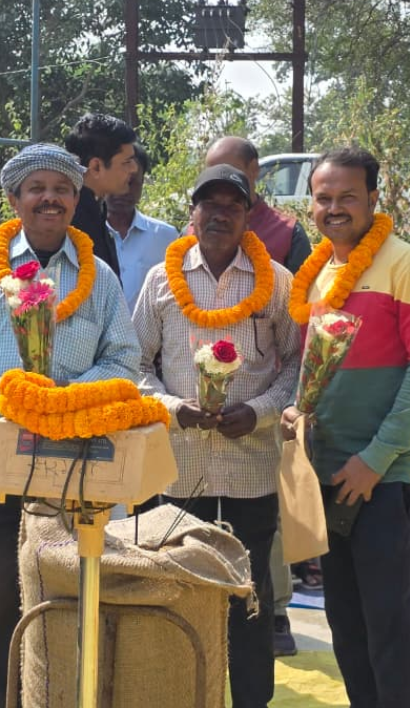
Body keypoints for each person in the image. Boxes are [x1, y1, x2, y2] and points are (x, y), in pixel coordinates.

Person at [0, 143, 140, 708]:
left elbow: (123, 359)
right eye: (37, 188)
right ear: (15, 198)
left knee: (64, 598)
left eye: (63, 189)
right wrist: (2, 390)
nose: (51, 198)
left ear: (76, 199)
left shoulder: (101, 277)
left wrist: (65, 399)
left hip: (75, 468)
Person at [279, 147, 410, 708]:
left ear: (374, 198)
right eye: (323, 198)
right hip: (325, 470)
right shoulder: (318, 272)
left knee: (389, 625)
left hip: (384, 474)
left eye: (347, 196)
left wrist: (377, 458)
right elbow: (317, 366)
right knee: (344, 620)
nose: (334, 208)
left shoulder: (407, 264)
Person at [133, 164, 301, 708]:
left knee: (248, 595)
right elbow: (133, 364)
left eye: (233, 204)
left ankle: (252, 700)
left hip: (250, 465)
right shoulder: (163, 279)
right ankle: (184, 695)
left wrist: (261, 410)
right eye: (211, 203)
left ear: (249, 216)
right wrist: (169, 407)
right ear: (193, 213)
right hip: (179, 464)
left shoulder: (275, 280)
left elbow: (299, 365)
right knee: (178, 590)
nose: (220, 213)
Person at [204, 135, 316, 653]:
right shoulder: (174, 266)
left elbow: (298, 340)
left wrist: (266, 407)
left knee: (259, 538)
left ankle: (272, 615)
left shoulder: (287, 239)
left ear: (253, 177)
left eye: (234, 188)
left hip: (258, 420)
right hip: (193, 441)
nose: (221, 208)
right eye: (210, 189)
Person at [205, 136, 313, 272]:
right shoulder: (192, 230)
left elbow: (301, 289)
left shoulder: (288, 233)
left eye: (228, 171)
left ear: (254, 169)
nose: (219, 180)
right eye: (211, 173)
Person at [63, 113, 139, 279]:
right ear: (96, 167)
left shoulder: (96, 210)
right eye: (127, 162)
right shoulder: (66, 219)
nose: (134, 169)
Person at [106, 143, 179, 310]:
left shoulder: (165, 237)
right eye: (118, 181)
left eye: (132, 183)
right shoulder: (85, 235)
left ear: (142, 183)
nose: (124, 191)